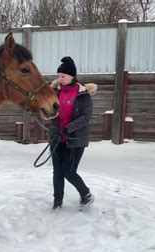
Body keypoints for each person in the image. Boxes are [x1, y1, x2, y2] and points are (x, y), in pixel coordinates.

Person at [49, 56, 97, 210]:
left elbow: (86, 117)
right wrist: (53, 129)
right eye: (59, 76)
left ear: (72, 76)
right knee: (57, 172)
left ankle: (86, 194)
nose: (60, 78)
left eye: (63, 76)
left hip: (74, 140)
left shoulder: (83, 95)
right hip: (57, 139)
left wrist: (68, 128)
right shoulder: (54, 93)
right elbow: (50, 114)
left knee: (68, 171)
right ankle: (57, 202)